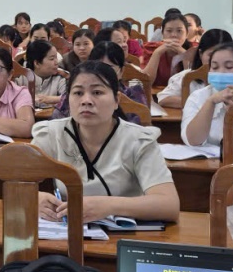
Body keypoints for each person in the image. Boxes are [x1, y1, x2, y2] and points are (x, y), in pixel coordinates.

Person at [35, 61, 180, 224]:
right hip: (67, 231)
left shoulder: (139, 140)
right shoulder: (51, 134)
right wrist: (34, 198)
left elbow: (169, 204)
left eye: (97, 92)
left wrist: (107, 206)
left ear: (116, 99)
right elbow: (16, 181)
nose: (86, 100)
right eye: (78, 93)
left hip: (124, 234)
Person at [53, 42, 146, 121]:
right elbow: (57, 121)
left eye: (109, 68)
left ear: (121, 71)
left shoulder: (133, 95)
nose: (102, 74)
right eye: (97, 67)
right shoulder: (74, 94)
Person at [158, 29, 233, 108]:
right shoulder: (187, 77)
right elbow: (163, 99)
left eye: (224, 55)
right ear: (201, 54)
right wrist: (202, 103)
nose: (217, 60)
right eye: (211, 55)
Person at [143, 12, 193, 87]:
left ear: (187, 34)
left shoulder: (193, 50)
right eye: (169, 31)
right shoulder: (151, 48)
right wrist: (157, 53)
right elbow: (145, 83)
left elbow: (193, 84)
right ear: (162, 34)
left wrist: (184, 54)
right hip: (156, 93)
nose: (174, 35)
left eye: (179, 31)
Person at [26, 39, 66, 109]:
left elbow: (69, 98)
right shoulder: (22, 78)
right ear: (37, 63)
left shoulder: (59, 77)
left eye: (56, 58)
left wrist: (50, 99)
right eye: (52, 59)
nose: (56, 62)